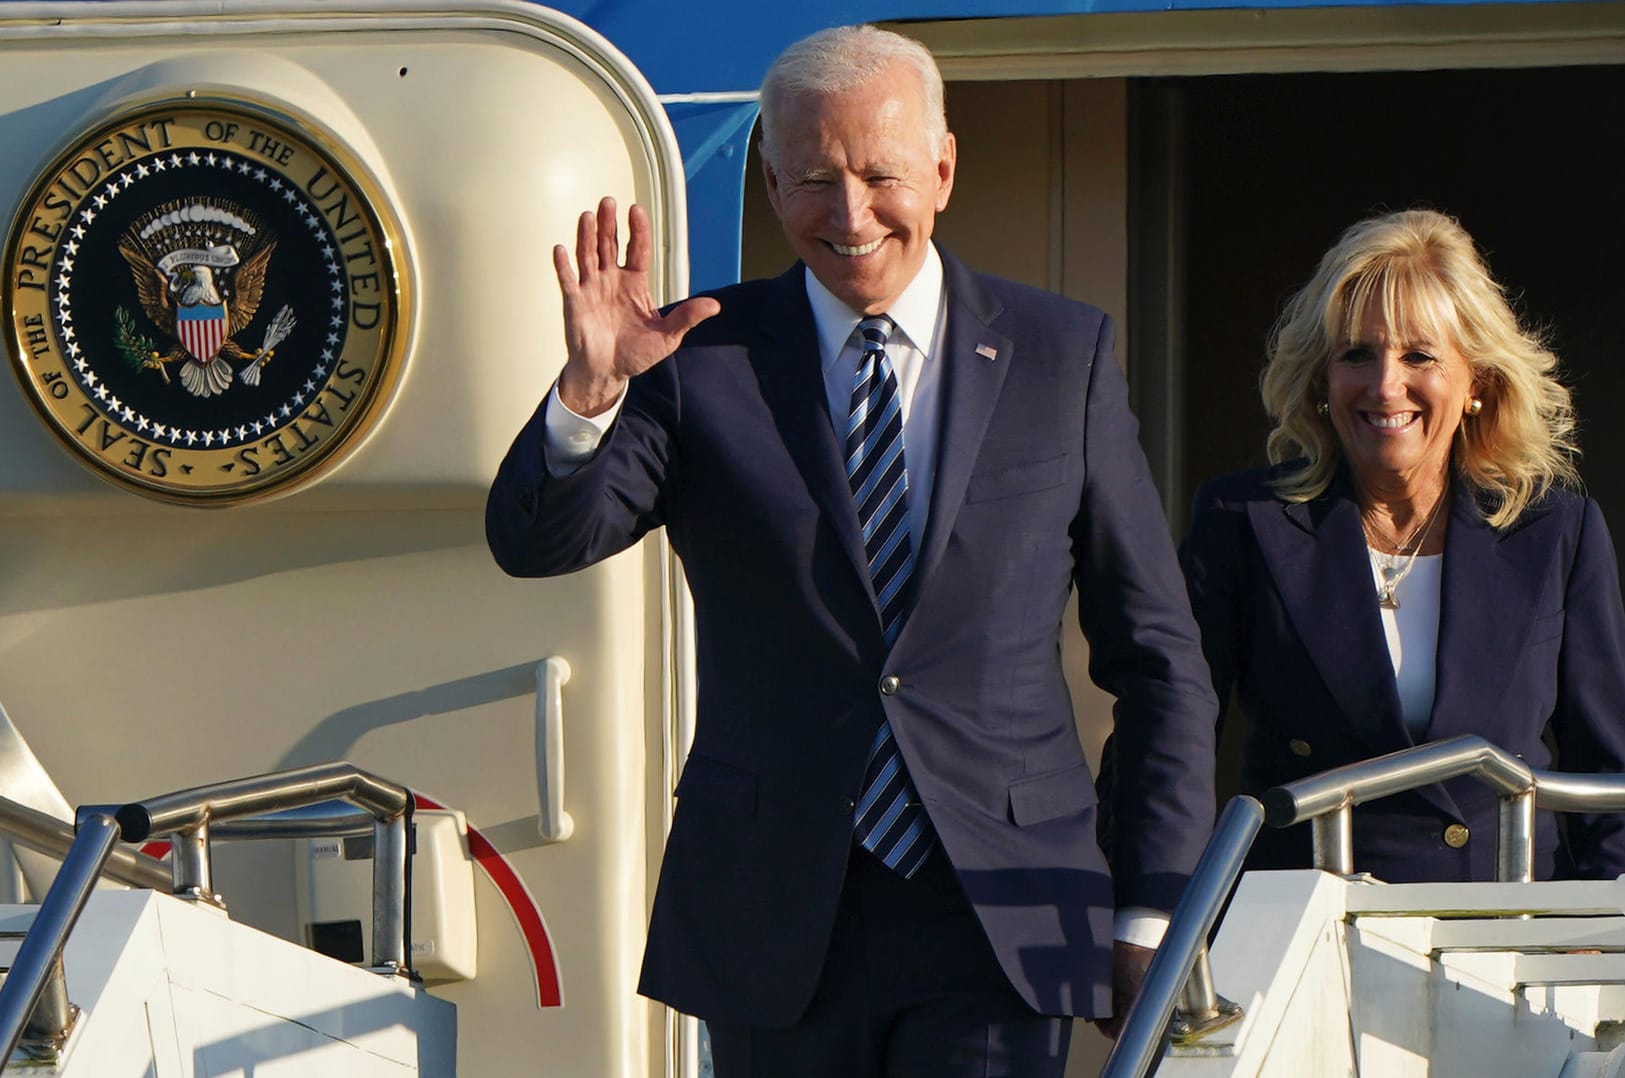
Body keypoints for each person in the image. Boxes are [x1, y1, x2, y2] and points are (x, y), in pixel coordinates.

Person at [485, 24, 1217, 1077]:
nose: (852, 214)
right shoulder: (698, 358)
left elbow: (1158, 659)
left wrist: (1152, 908)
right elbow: (540, 542)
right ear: (773, 186)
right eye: (816, 181)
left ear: (945, 169)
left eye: (881, 174)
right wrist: (591, 395)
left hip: (1002, 919)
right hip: (772, 916)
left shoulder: (1065, 355)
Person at [1181, 209, 1625, 883]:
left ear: (1477, 385)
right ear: (1321, 381)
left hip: (1506, 936)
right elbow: (1172, 736)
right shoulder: (1243, 522)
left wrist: (1611, 938)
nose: (1384, 386)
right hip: (1308, 930)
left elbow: (1610, 782)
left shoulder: (1555, 534)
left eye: (1419, 356)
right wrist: (1155, 911)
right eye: (1356, 355)